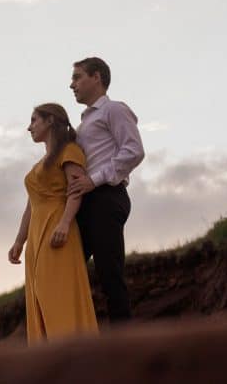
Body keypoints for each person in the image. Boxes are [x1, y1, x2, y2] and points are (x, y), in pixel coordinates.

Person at [8, 103, 98, 344]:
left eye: (34, 120)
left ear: (50, 121)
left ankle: (71, 353)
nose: (29, 127)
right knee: (39, 297)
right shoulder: (41, 164)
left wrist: (65, 224)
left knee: (57, 295)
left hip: (56, 230)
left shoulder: (69, 151)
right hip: (36, 236)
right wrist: (19, 240)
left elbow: (76, 190)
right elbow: (31, 205)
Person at [67, 57, 145, 323]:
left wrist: (95, 179)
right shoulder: (82, 124)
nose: (71, 84)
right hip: (85, 203)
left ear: (97, 77)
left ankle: (123, 351)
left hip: (106, 198)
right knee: (68, 269)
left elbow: (134, 151)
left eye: (77, 77)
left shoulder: (113, 110)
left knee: (109, 275)